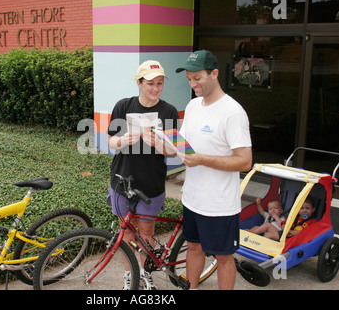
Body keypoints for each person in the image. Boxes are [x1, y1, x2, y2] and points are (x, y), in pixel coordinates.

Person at [175, 50, 252, 290]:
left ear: (214, 73)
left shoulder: (232, 112)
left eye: (197, 78)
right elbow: (183, 146)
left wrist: (201, 159)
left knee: (223, 257)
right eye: (189, 79)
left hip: (219, 205)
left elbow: (244, 161)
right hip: (192, 198)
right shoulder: (193, 105)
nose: (192, 83)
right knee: (194, 247)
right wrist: (163, 144)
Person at [107, 60, 179, 290]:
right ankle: (131, 275)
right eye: (150, 83)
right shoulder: (123, 106)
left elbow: (173, 150)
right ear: (138, 83)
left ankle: (146, 274)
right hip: (122, 178)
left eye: (159, 83)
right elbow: (110, 140)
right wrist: (121, 140)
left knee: (147, 231)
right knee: (126, 230)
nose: (155, 88)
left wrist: (159, 144)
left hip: (151, 181)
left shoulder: (168, 111)